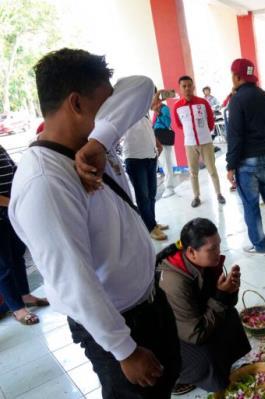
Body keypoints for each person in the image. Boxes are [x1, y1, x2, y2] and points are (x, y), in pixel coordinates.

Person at [9, 49, 180, 397]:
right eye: (105, 104)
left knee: (167, 378)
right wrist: (125, 351)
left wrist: (101, 139)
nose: (113, 112)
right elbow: (73, 281)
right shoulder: (45, 182)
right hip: (120, 325)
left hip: (147, 302)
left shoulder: (92, 143)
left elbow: (142, 86)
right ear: (75, 103)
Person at [157, 218, 251, 396]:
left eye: (218, 246)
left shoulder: (205, 262)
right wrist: (221, 296)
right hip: (176, 335)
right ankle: (180, 377)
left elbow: (222, 303)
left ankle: (230, 363)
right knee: (206, 355)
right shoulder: (175, 282)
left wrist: (229, 290)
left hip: (193, 319)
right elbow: (195, 334)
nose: (218, 252)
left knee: (230, 316)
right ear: (192, 252)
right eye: (212, 249)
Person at [226, 58, 265, 255]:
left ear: (237, 76)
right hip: (264, 156)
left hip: (246, 161)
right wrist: (264, 149)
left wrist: (230, 165)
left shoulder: (237, 100)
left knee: (251, 203)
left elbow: (235, 135)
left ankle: (260, 244)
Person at [0, 144, 49, 326]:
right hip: (8, 207)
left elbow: (14, 171)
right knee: (3, 265)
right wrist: (14, 203)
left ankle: (24, 294)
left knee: (17, 254)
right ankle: (17, 308)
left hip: (10, 211)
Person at [173, 76, 226, 207]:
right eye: (184, 86)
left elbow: (211, 121)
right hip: (189, 144)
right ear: (180, 88)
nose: (187, 88)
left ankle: (219, 193)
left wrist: (204, 133)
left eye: (189, 85)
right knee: (193, 172)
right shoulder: (177, 107)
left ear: (193, 87)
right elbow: (179, 124)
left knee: (212, 169)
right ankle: (196, 196)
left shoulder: (203, 103)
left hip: (206, 142)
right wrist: (191, 133)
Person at [122, 114, 169, 241]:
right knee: (143, 196)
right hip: (135, 158)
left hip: (150, 157)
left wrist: (158, 144)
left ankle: (152, 223)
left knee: (152, 194)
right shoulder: (124, 112)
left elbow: (149, 130)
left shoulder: (143, 113)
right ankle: (150, 227)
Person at [152, 89, 177, 198]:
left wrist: (159, 113)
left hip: (163, 136)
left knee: (166, 162)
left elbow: (167, 123)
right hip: (156, 136)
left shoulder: (164, 108)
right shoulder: (153, 109)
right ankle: (169, 186)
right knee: (163, 162)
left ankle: (169, 187)